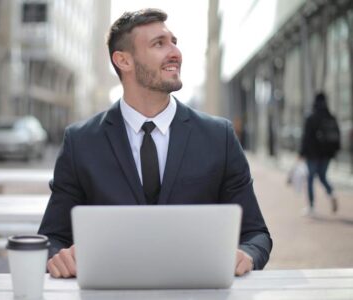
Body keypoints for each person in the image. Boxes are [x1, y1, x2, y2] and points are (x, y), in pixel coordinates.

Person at [38, 8, 272, 279]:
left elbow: (256, 233)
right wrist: (59, 257)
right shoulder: (80, 142)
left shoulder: (219, 137)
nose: (175, 52)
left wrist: (247, 254)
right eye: (159, 44)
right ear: (123, 60)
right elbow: (52, 238)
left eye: (174, 42)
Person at [299, 92, 340, 216]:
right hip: (327, 154)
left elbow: (306, 138)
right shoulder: (331, 117)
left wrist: (301, 153)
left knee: (311, 179)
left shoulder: (311, 117)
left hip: (312, 154)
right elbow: (337, 136)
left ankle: (311, 207)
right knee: (322, 176)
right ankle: (331, 193)